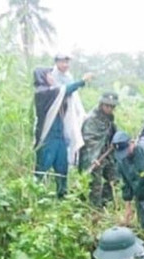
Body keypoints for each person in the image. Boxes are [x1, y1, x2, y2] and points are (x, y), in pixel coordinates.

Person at [33, 67, 92, 198]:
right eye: (49, 75)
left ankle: (61, 196)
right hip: (47, 137)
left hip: (59, 137)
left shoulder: (52, 92)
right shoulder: (42, 93)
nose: (52, 77)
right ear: (42, 77)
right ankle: (34, 197)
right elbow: (65, 90)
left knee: (62, 168)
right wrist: (82, 81)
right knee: (42, 169)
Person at [79, 91, 118, 207]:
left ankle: (106, 203)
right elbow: (89, 141)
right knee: (95, 183)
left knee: (114, 178)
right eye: (107, 105)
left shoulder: (109, 119)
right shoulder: (92, 119)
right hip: (93, 156)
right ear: (101, 104)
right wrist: (93, 158)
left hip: (107, 154)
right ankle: (93, 208)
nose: (109, 108)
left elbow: (112, 135)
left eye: (112, 106)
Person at [50, 53, 87, 165]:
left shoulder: (68, 76)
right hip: (55, 114)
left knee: (70, 138)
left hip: (68, 112)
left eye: (67, 62)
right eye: (63, 62)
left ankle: (69, 163)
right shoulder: (52, 75)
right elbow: (63, 91)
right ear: (57, 62)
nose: (66, 65)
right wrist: (82, 81)